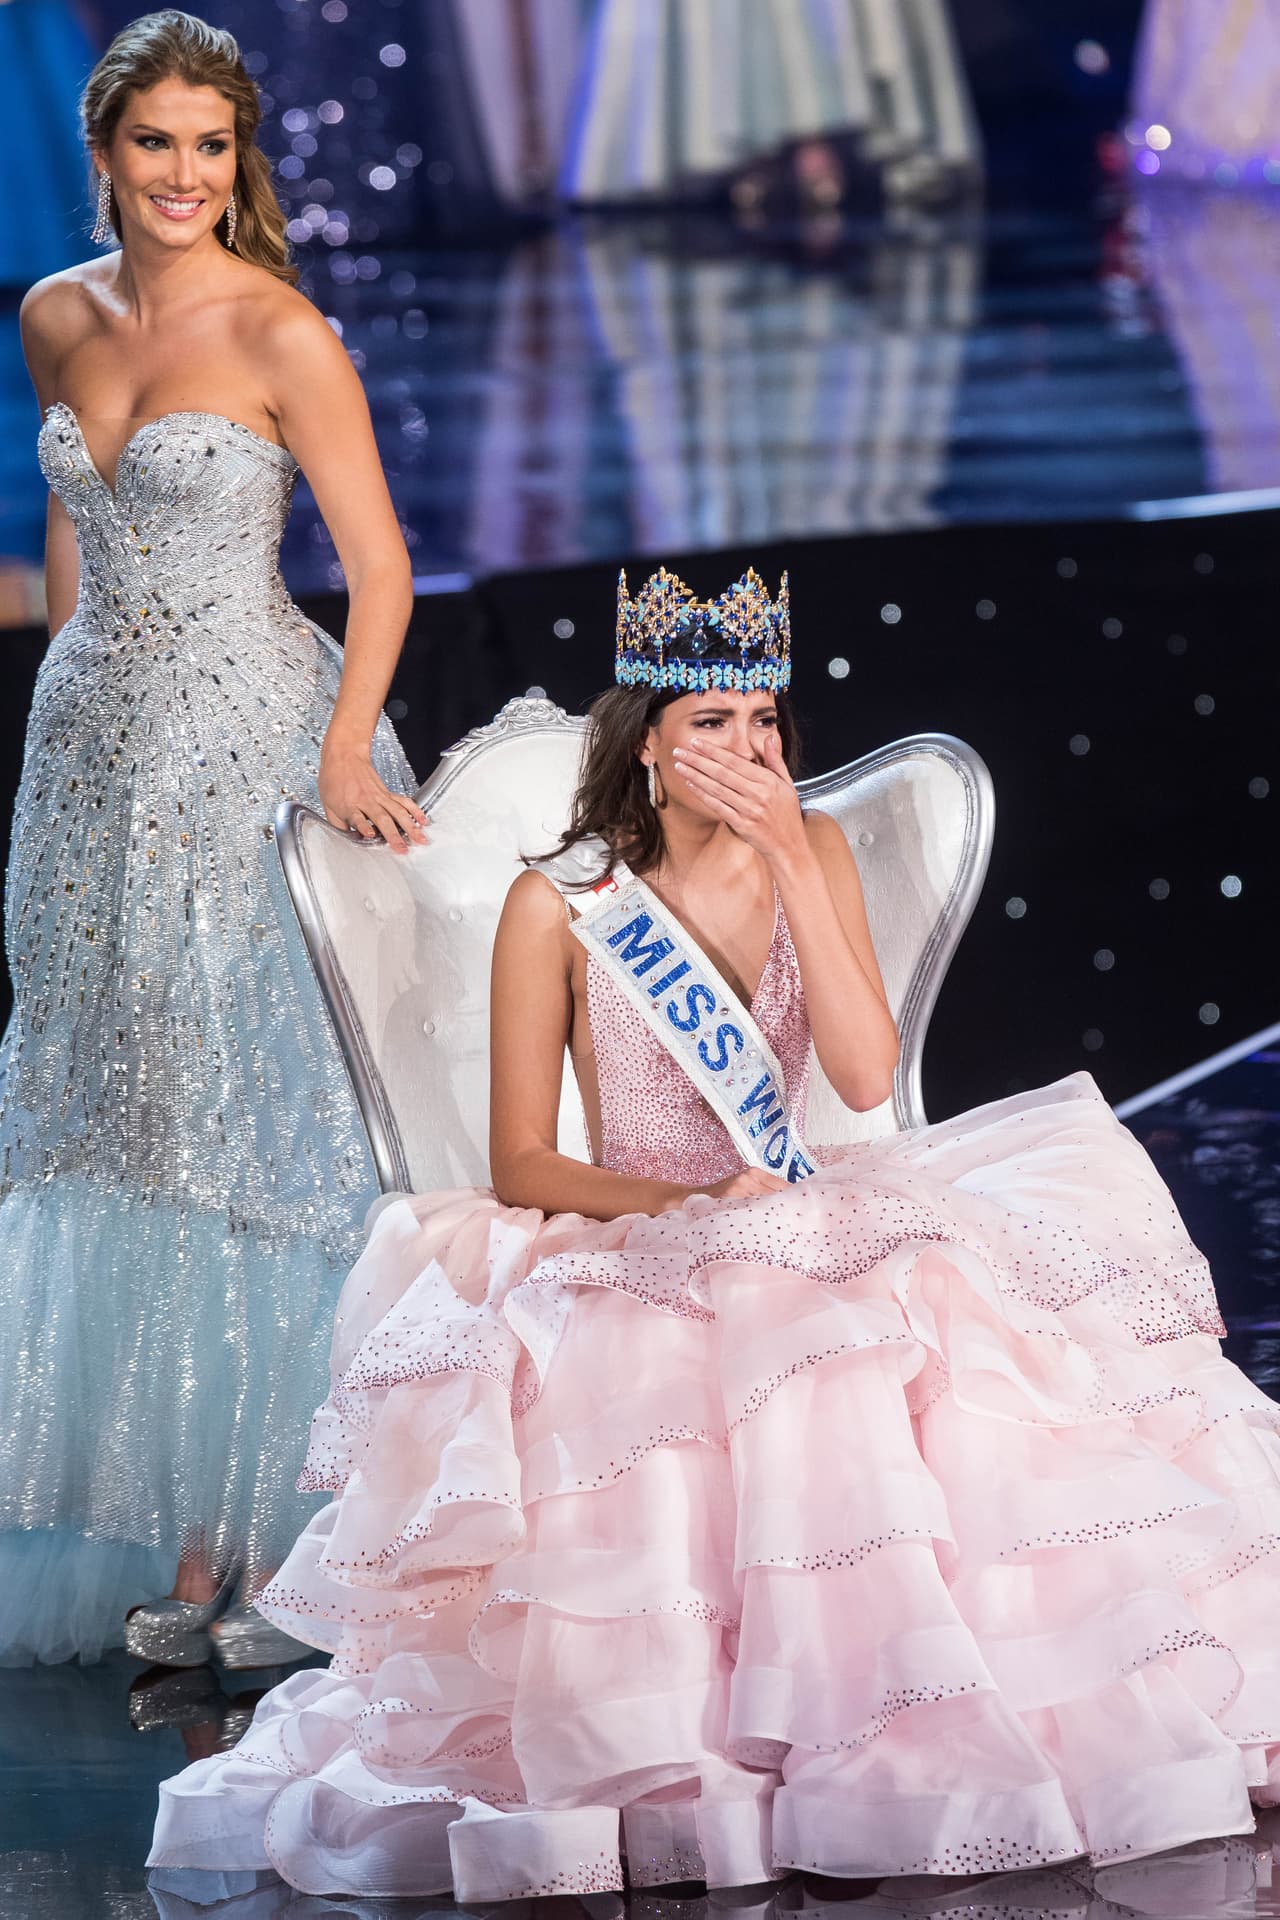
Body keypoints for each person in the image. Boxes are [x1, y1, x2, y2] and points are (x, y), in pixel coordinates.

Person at [151, 568, 1280, 1898]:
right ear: (645, 744)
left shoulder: (814, 854)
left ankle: (935, 1701)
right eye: (713, 728)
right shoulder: (558, 906)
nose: (749, 755)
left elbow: (865, 1080)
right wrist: (685, 1210)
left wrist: (801, 864)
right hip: (646, 1227)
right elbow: (522, 1160)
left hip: (798, 1200)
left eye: (765, 727)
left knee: (933, 1322)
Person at [2, 9, 426, 1670]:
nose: (185, 174)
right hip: (90, 755)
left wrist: (339, 752)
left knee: (235, 1121)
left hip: (249, 740)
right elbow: (67, 509)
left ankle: (253, 1554)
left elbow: (379, 568)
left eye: (213, 144)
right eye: (156, 142)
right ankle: (172, 1523)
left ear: (239, 163)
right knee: (106, 1109)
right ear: (105, 152)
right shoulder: (52, 313)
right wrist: (63, 684)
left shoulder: (281, 331)